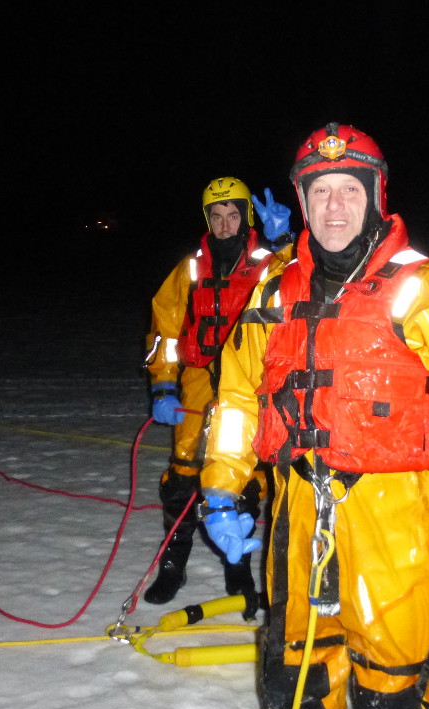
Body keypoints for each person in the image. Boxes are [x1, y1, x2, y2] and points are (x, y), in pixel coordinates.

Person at [198, 123, 429, 709]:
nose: (335, 206)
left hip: (390, 523)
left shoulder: (428, 290)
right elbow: (234, 401)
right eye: (321, 192)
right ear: (302, 200)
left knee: (389, 703)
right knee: (303, 684)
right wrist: (222, 488)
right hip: (296, 517)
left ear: (377, 196)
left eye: (351, 189)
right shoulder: (272, 294)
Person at [142, 176, 291, 620]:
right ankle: (174, 564)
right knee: (185, 472)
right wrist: (163, 384)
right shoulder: (190, 269)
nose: (225, 225)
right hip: (198, 381)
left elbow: (306, 281)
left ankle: (237, 563)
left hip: (248, 383)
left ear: (247, 218)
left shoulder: (271, 262)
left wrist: (284, 241)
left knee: (240, 472)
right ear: (207, 221)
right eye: (216, 217)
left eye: (234, 215)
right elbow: (165, 330)